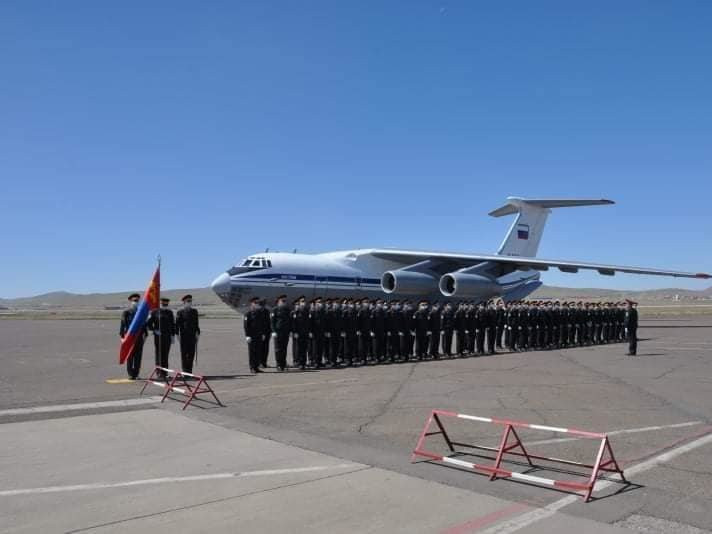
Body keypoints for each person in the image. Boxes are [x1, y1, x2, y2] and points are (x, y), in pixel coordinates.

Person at [120, 293, 147, 380]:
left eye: (138, 300)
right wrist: (122, 337)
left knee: (138, 357)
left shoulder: (141, 313)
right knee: (130, 356)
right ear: (131, 301)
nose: (136, 302)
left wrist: (145, 335)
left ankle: (137, 373)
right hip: (130, 338)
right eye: (135, 300)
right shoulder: (126, 312)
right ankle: (131, 374)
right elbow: (123, 325)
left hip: (139, 338)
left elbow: (144, 325)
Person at [147, 297, 175, 378]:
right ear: (160, 303)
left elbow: (172, 324)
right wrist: (154, 330)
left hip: (167, 337)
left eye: (166, 304)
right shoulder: (155, 312)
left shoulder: (169, 312)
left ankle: (165, 372)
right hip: (158, 337)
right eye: (163, 304)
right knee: (159, 354)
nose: (164, 305)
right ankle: (159, 373)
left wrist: (173, 335)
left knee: (166, 355)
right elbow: (149, 323)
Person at [176, 294, 201, 374]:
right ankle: (184, 371)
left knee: (191, 354)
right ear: (184, 302)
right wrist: (177, 335)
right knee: (184, 354)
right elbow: (177, 324)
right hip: (184, 336)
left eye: (190, 301)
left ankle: (189, 371)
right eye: (188, 301)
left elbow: (196, 323)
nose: (190, 302)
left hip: (192, 336)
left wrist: (198, 332)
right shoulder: (180, 312)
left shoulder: (194, 311)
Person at [270, 295, 291, 372]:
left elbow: (290, 321)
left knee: (284, 349)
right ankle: (278, 364)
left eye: (285, 301)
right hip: (278, 332)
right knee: (278, 349)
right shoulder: (274, 310)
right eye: (283, 301)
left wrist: (290, 331)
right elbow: (272, 322)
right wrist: (273, 331)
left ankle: (283, 364)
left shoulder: (287, 310)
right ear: (279, 301)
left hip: (285, 332)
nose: (284, 302)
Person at [244, 297, 263, 373]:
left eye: (258, 303)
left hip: (258, 335)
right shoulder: (248, 314)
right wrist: (247, 335)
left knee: (258, 352)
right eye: (255, 303)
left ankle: (256, 367)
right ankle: (252, 367)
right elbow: (246, 326)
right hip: (251, 336)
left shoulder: (259, 313)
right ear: (251, 303)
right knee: (252, 352)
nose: (257, 304)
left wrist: (262, 333)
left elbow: (262, 324)